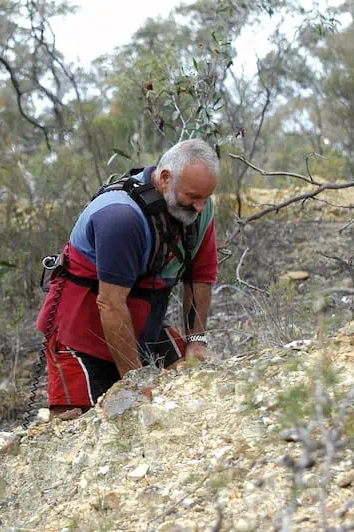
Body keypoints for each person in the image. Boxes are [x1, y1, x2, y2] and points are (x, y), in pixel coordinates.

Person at [36, 139, 220, 419]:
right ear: (166, 178)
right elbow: (110, 304)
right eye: (193, 196)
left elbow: (201, 276)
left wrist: (196, 340)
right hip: (82, 334)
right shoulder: (121, 217)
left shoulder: (200, 209)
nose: (199, 207)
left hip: (142, 328)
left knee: (195, 388)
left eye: (206, 198)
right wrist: (135, 381)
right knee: (80, 425)